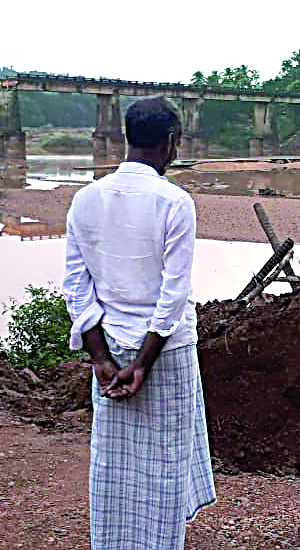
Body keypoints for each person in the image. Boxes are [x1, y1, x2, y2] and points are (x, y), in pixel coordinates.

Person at [62, 97, 215, 549]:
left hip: (109, 351)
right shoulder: (175, 201)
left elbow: (77, 287)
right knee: (164, 462)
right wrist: (145, 363)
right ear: (171, 143)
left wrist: (100, 360)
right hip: (164, 353)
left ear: (128, 137)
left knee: (115, 463)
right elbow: (173, 294)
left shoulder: (86, 199)